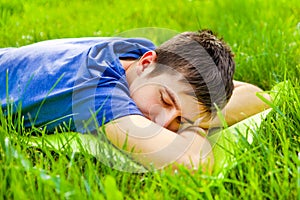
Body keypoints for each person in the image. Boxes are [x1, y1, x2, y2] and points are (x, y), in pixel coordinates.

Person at [0, 30, 269, 171]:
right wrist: (195, 125)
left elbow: (255, 95)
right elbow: (194, 164)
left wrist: (194, 118)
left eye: (179, 120)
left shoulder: (142, 56)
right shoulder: (97, 90)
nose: (163, 123)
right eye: (165, 100)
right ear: (147, 63)